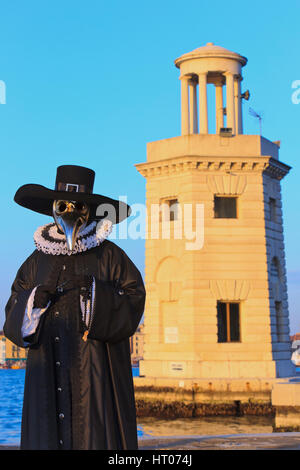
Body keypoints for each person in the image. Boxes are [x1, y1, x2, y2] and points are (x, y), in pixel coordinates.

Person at [3, 165, 146, 450]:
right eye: (62, 205)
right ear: (52, 209)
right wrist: (32, 303)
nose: (69, 212)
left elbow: (134, 298)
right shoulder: (35, 261)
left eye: (78, 206)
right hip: (46, 374)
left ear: (89, 210)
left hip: (95, 378)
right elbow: (13, 309)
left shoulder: (110, 256)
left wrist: (95, 297)